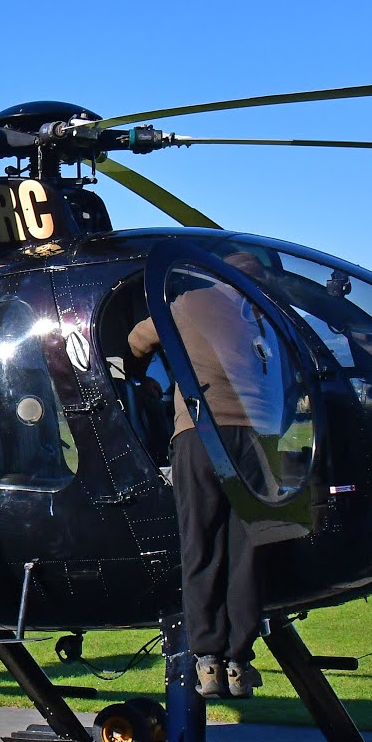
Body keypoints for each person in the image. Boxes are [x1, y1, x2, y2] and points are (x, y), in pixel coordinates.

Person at [128, 253, 275, 698]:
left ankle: (207, 660)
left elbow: (136, 341)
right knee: (247, 550)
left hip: (199, 434)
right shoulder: (263, 317)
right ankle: (238, 662)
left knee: (200, 545)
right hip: (257, 440)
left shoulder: (186, 305)